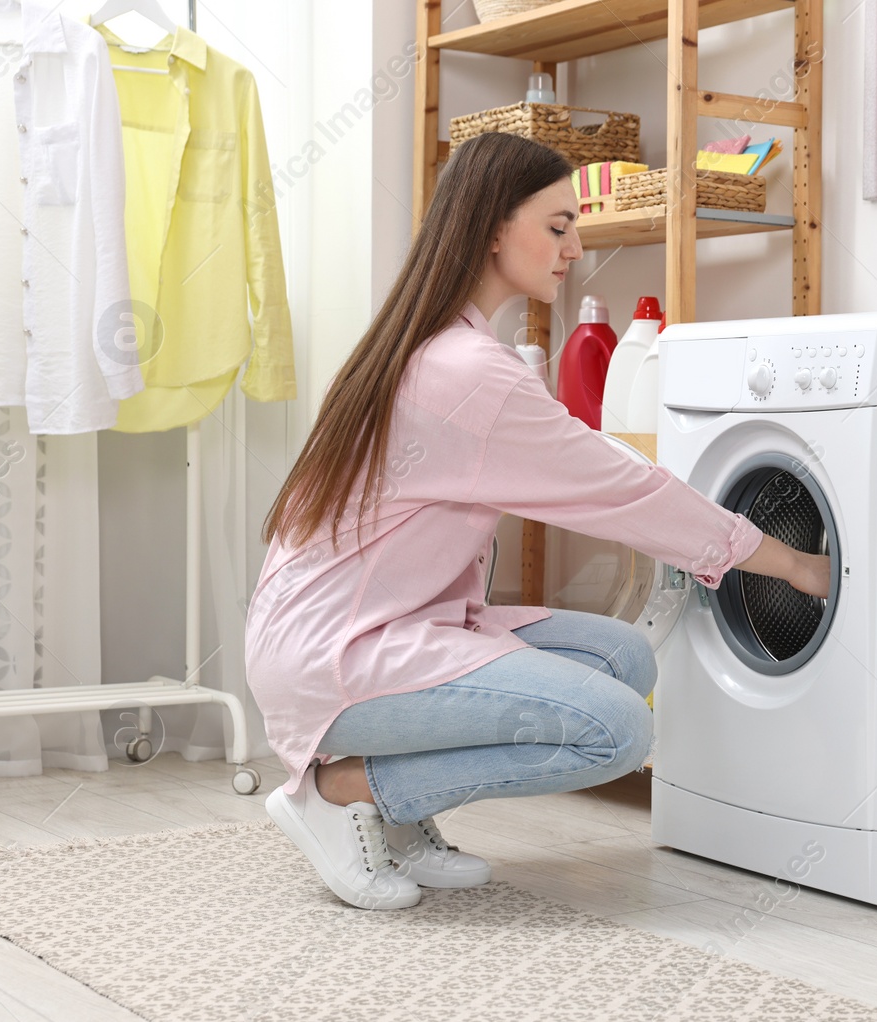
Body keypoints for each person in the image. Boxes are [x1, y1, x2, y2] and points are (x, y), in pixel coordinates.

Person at [244, 132, 830, 911]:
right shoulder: (468, 372)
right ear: (493, 229)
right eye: (557, 227)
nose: (575, 247)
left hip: (358, 629)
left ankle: (400, 816)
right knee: (616, 729)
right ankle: (341, 790)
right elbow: (624, 490)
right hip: (339, 653)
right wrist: (789, 562)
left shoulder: (436, 343)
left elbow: (607, 481)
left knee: (623, 658)